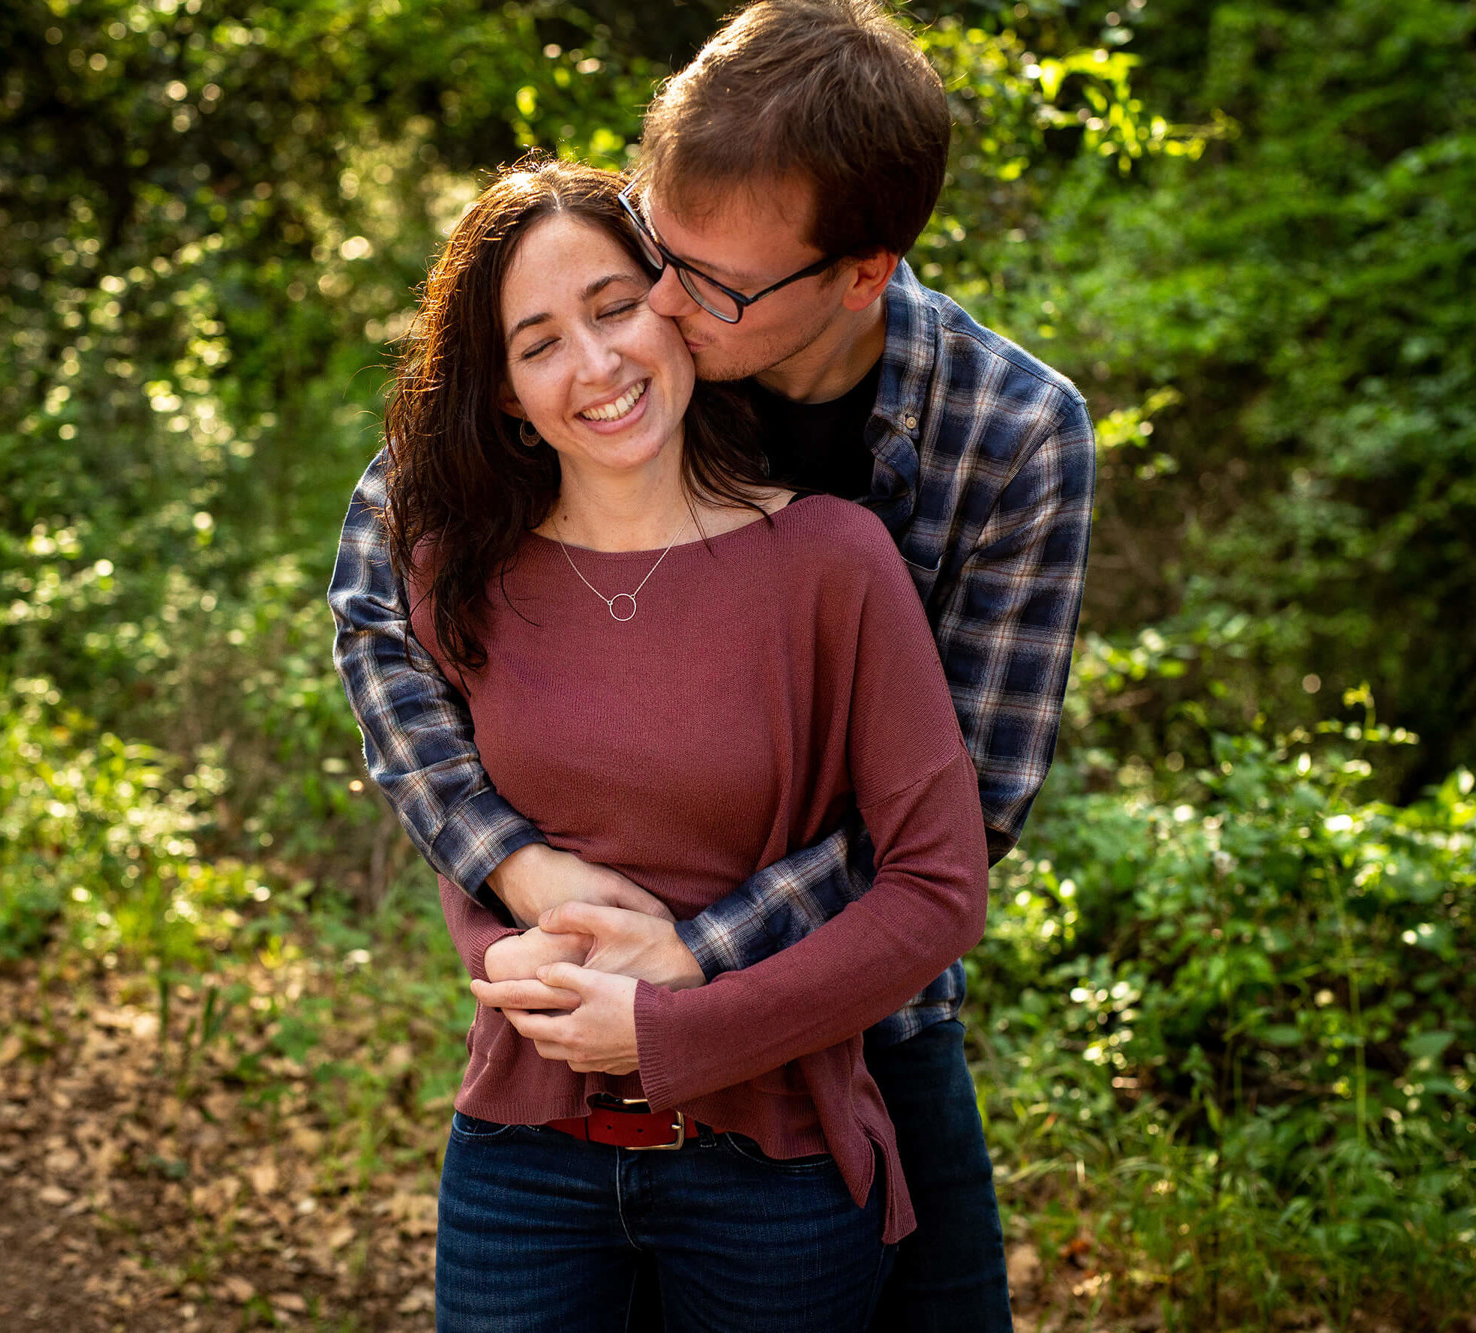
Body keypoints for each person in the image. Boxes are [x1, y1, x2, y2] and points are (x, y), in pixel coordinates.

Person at [330, 2, 1095, 1329]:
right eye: (653, 251)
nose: (658, 311)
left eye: (708, 286)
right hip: (561, 1053)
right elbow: (381, 579)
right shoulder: (645, 301)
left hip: (857, 1015)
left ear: (860, 275)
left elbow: (956, 821)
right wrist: (522, 868)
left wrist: (690, 965)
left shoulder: (1009, 434)